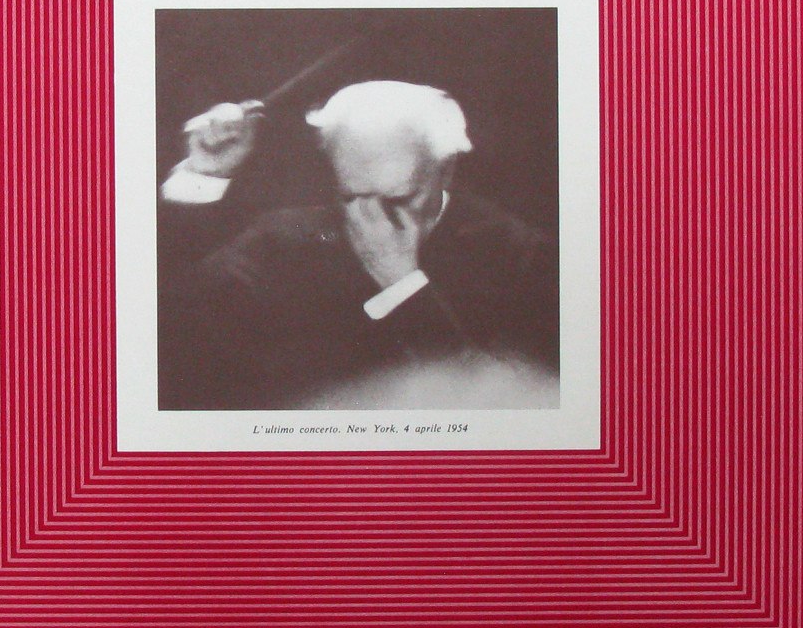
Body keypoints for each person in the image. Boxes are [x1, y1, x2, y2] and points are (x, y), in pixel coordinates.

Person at [158, 81, 559, 409]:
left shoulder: (520, 253)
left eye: (399, 199)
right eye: (351, 194)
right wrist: (203, 176)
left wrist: (403, 285)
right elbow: (175, 323)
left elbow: (521, 405)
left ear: (446, 169)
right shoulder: (284, 237)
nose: (370, 219)